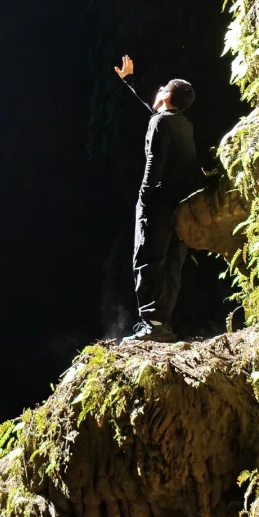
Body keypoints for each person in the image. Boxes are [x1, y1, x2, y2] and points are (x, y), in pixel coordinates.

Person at [113, 54, 201, 342]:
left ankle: (150, 325)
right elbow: (157, 117)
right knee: (172, 263)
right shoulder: (182, 124)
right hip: (180, 206)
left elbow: (154, 162)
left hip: (158, 203)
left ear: (165, 94)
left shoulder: (160, 123)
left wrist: (144, 198)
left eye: (161, 88)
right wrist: (130, 82)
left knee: (148, 259)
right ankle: (161, 323)